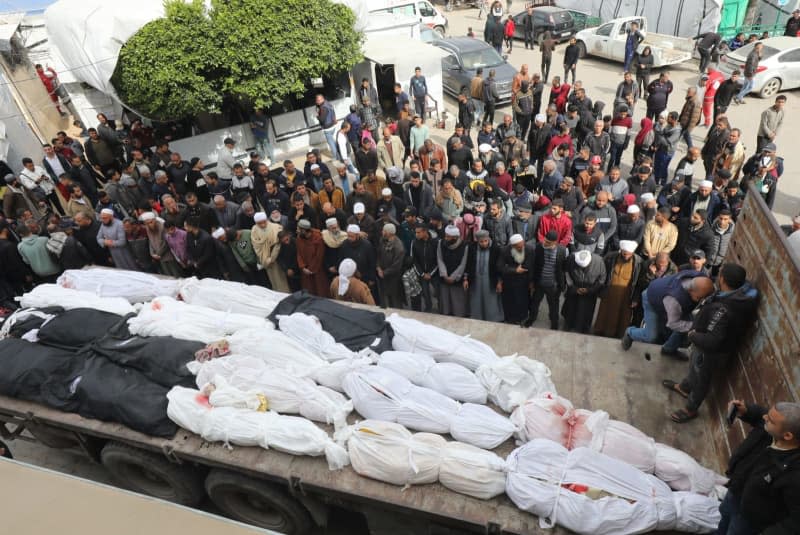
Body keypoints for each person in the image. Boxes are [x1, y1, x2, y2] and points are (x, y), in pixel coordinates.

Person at [663, 263, 758, 423]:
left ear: (722, 279)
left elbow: (713, 340)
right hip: (714, 346)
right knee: (694, 367)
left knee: (702, 379)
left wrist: (693, 335)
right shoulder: (741, 294)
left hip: (711, 352)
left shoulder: (724, 309)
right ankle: (685, 387)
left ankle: (691, 409)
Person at [715, 399, 800, 534]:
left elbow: (795, 521)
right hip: (737, 489)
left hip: (750, 519)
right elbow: (762, 414)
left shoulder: (794, 475)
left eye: (770, 419)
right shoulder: (773, 432)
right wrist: (747, 410)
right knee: (723, 518)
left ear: (788, 435)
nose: (764, 417)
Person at [621, 270, 714, 353]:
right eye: (700, 298)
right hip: (651, 299)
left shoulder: (700, 278)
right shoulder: (674, 300)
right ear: (690, 291)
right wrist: (694, 325)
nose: (702, 301)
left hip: (670, 297)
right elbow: (673, 324)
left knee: (686, 326)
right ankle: (630, 333)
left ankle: (668, 350)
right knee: (651, 336)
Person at [593, 241, 642, 338]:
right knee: (605, 313)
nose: (626, 256)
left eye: (628, 254)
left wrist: (635, 298)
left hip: (626, 294)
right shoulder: (611, 257)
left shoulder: (638, 262)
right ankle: (601, 331)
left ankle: (619, 334)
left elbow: (639, 282)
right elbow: (602, 272)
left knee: (623, 316)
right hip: (609, 291)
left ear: (632, 253)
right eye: (624, 253)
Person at [525, 229, 567, 329]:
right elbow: (534, 266)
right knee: (535, 303)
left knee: (554, 305)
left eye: (548, 242)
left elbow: (562, 269)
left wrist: (561, 285)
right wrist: (532, 281)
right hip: (539, 283)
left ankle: (554, 322)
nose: (545, 243)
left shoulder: (562, 250)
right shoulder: (539, 247)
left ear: (555, 242)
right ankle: (531, 319)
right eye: (545, 240)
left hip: (553, 285)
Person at [562, 249, 606, 334]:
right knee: (571, 309)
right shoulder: (571, 258)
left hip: (590, 292)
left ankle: (584, 328)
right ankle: (568, 324)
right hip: (574, 289)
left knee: (587, 312)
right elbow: (567, 274)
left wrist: (590, 290)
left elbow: (602, 279)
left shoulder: (599, 261)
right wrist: (573, 288)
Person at [497, 234, 533, 325]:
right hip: (509, 281)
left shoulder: (529, 249)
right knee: (510, 302)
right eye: (518, 247)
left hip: (523, 282)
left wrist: (531, 282)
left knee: (523, 301)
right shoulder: (505, 250)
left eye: (522, 245)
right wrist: (514, 270)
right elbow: (500, 267)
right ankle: (510, 319)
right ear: (512, 246)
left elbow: (531, 266)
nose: (521, 248)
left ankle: (523, 318)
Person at [251, 211, 289, 292]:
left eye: (264, 222)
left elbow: (281, 240)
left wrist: (273, 255)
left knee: (282, 277)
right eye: (259, 223)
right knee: (274, 279)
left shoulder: (276, 227)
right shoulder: (254, 231)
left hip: (278, 257)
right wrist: (267, 259)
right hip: (266, 259)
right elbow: (257, 246)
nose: (262, 225)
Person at [437, 224, 469, 317]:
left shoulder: (464, 246)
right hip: (445, 277)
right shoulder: (441, 243)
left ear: (455, 237)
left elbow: (463, 263)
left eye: (448, 236)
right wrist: (444, 274)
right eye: (445, 236)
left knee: (457, 302)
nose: (446, 238)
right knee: (445, 301)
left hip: (457, 278)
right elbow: (439, 258)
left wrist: (453, 277)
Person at [295, 219, 329, 297]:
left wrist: (311, 269)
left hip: (317, 270)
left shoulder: (318, 238)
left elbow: (319, 256)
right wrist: (303, 267)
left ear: (303, 230)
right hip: (305, 271)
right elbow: (299, 253)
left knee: (320, 290)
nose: (297, 230)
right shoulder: (299, 238)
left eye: (298, 229)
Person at [315, 94, 338, 159]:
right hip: (332, 125)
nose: (317, 102)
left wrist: (317, 116)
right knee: (333, 141)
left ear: (322, 99)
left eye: (319, 100)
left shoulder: (323, 108)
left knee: (331, 144)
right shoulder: (328, 103)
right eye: (317, 100)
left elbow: (322, 119)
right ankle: (338, 153)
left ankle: (336, 157)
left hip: (328, 128)